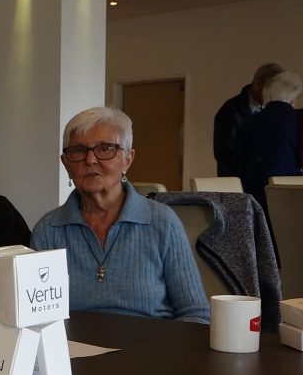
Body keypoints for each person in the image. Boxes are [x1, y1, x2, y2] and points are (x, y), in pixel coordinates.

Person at [32, 106, 209, 323]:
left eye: (105, 149)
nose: (90, 160)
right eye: (78, 150)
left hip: (151, 351)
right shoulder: (48, 231)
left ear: (128, 159)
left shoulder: (162, 223)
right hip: (71, 353)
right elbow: (35, 319)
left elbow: (196, 314)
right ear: (66, 163)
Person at [237, 71, 303, 214]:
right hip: (296, 197)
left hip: (256, 200)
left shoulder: (249, 124)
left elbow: (238, 167)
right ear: (293, 98)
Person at [213, 63, 283, 177]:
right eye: (272, 89)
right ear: (258, 85)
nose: (275, 94)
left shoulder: (271, 110)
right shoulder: (231, 111)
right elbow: (226, 154)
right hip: (240, 183)